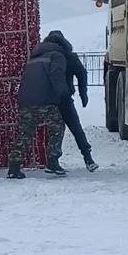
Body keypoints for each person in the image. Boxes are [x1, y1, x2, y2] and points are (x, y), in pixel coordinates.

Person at [7, 37, 68, 179]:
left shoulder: (33, 59)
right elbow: (56, 75)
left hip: (26, 100)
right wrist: (63, 94)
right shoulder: (57, 56)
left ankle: (14, 167)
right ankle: (53, 161)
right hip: (44, 100)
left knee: (25, 132)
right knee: (57, 126)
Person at [41, 30, 98, 172]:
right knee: (76, 128)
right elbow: (82, 73)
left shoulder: (42, 56)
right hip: (64, 99)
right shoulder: (69, 55)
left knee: (51, 129)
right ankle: (88, 159)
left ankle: (51, 160)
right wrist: (83, 94)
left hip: (46, 99)